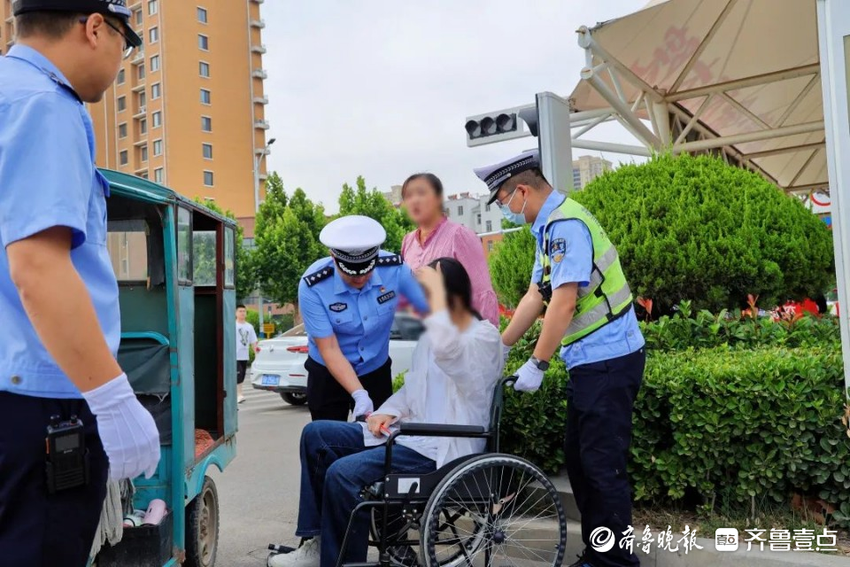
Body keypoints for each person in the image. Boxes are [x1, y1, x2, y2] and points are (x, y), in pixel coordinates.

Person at [0, 2, 158, 567]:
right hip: (38, 402)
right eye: (125, 41)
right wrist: (112, 400)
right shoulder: (48, 106)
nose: (122, 58)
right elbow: (38, 267)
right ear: (96, 27)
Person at [269, 257, 504, 567]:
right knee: (317, 435)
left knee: (343, 474)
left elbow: (453, 355)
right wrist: (385, 412)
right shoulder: (431, 337)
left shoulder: (482, 337)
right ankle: (317, 542)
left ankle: (342, 561)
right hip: (412, 437)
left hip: (441, 450)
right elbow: (412, 390)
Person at [475, 150, 645, 567]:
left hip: (608, 359)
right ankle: (598, 554)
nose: (504, 210)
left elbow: (564, 303)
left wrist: (538, 363)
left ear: (521, 190)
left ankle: (616, 562)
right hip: (589, 362)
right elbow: (537, 295)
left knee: (601, 467)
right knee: (582, 463)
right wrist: (501, 347)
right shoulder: (547, 227)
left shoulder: (566, 225)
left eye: (502, 201)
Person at [298, 215, 430, 422]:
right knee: (327, 441)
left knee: (379, 443)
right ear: (333, 258)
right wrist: (359, 393)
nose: (360, 278)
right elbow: (329, 348)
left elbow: (427, 311)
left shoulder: (395, 270)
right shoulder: (313, 286)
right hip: (328, 372)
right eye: (350, 273)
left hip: (375, 370)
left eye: (367, 270)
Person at [400, 172, 500, 326]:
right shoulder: (408, 241)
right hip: (420, 335)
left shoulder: (460, 235)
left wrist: (484, 339)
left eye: (421, 193)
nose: (414, 201)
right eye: (408, 196)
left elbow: (482, 293)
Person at [236, 304, 259, 404]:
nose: (242, 313)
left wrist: (257, 355)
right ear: (236, 313)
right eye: (240, 311)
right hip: (234, 355)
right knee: (238, 375)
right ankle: (239, 395)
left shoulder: (249, 327)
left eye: (244, 311)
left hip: (244, 355)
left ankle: (238, 394)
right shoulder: (233, 325)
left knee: (242, 375)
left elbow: (253, 342)